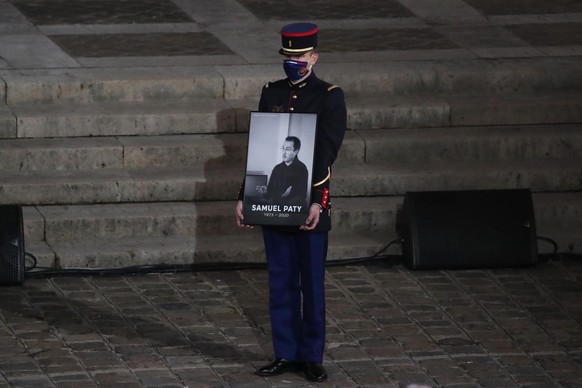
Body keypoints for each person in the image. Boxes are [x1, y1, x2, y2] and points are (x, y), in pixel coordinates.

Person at [235, 22, 346, 383]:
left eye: (299, 57)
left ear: (313, 57)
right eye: (288, 56)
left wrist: (317, 201)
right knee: (280, 281)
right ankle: (285, 352)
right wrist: (246, 197)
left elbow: (325, 154)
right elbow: (261, 150)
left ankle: (312, 355)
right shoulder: (272, 92)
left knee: (312, 283)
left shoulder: (330, 96)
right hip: (274, 206)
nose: (293, 62)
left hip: (310, 202)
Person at [264, 136, 308, 208]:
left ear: (296, 151)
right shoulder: (277, 168)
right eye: (283, 148)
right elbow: (270, 194)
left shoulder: (301, 168)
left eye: (287, 149)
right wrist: (265, 192)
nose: (284, 153)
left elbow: (302, 196)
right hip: (275, 208)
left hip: (292, 210)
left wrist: (290, 193)